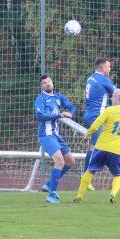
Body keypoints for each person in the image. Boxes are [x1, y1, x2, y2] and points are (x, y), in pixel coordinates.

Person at [73, 89, 120, 205]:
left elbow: (95, 125)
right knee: (117, 175)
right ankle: (113, 194)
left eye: (113, 97)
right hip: (117, 150)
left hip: (101, 148)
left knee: (90, 171)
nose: (111, 99)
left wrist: (87, 136)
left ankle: (79, 195)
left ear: (118, 99)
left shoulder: (109, 110)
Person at [35, 74, 77, 204]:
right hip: (46, 135)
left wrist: (70, 113)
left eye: (49, 81)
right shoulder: (40, 98)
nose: (48, 84)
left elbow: (72, 107)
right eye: (44, 83)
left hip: (56, 135)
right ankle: (51, 195)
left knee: (70, 161)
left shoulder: (58, 97)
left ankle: (49, 185)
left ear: (52, 83)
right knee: (59, 161)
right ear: (42, 86)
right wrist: (59, 115)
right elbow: (40, 116)